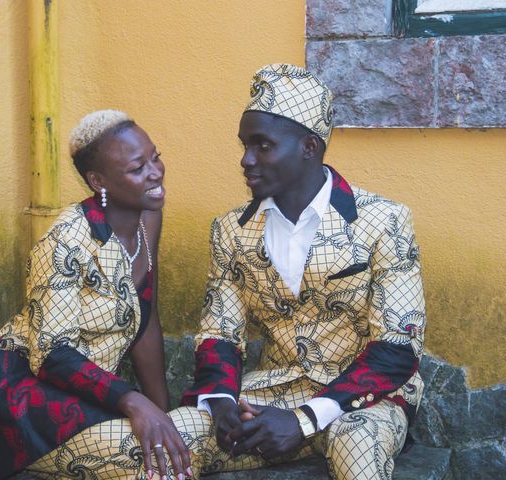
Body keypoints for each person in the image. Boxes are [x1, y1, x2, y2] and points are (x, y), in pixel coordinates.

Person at [179, 64, 426, 480]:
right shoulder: (229, 230)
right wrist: (221, 404)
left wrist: (304, 420)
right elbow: (219, 331)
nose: (245, 159)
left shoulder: (384, 220)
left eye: (262, 146)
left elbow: (397, 348)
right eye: (244, 145)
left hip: (366, 401)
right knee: (159, 441)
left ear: (309, 147)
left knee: (357, 449)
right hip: (272, 393)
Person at [0, 110, 192, 480]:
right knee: (157, 467)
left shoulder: (148, 216)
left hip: (93, 390)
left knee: (176, 446)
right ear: (98, 180)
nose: (156, 173)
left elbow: (145, 316)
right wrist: (134, 401)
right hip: (26, 389)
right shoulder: (65, 241)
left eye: (156, 156)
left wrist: (162, 413)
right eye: (138, 168)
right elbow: (52, 356)